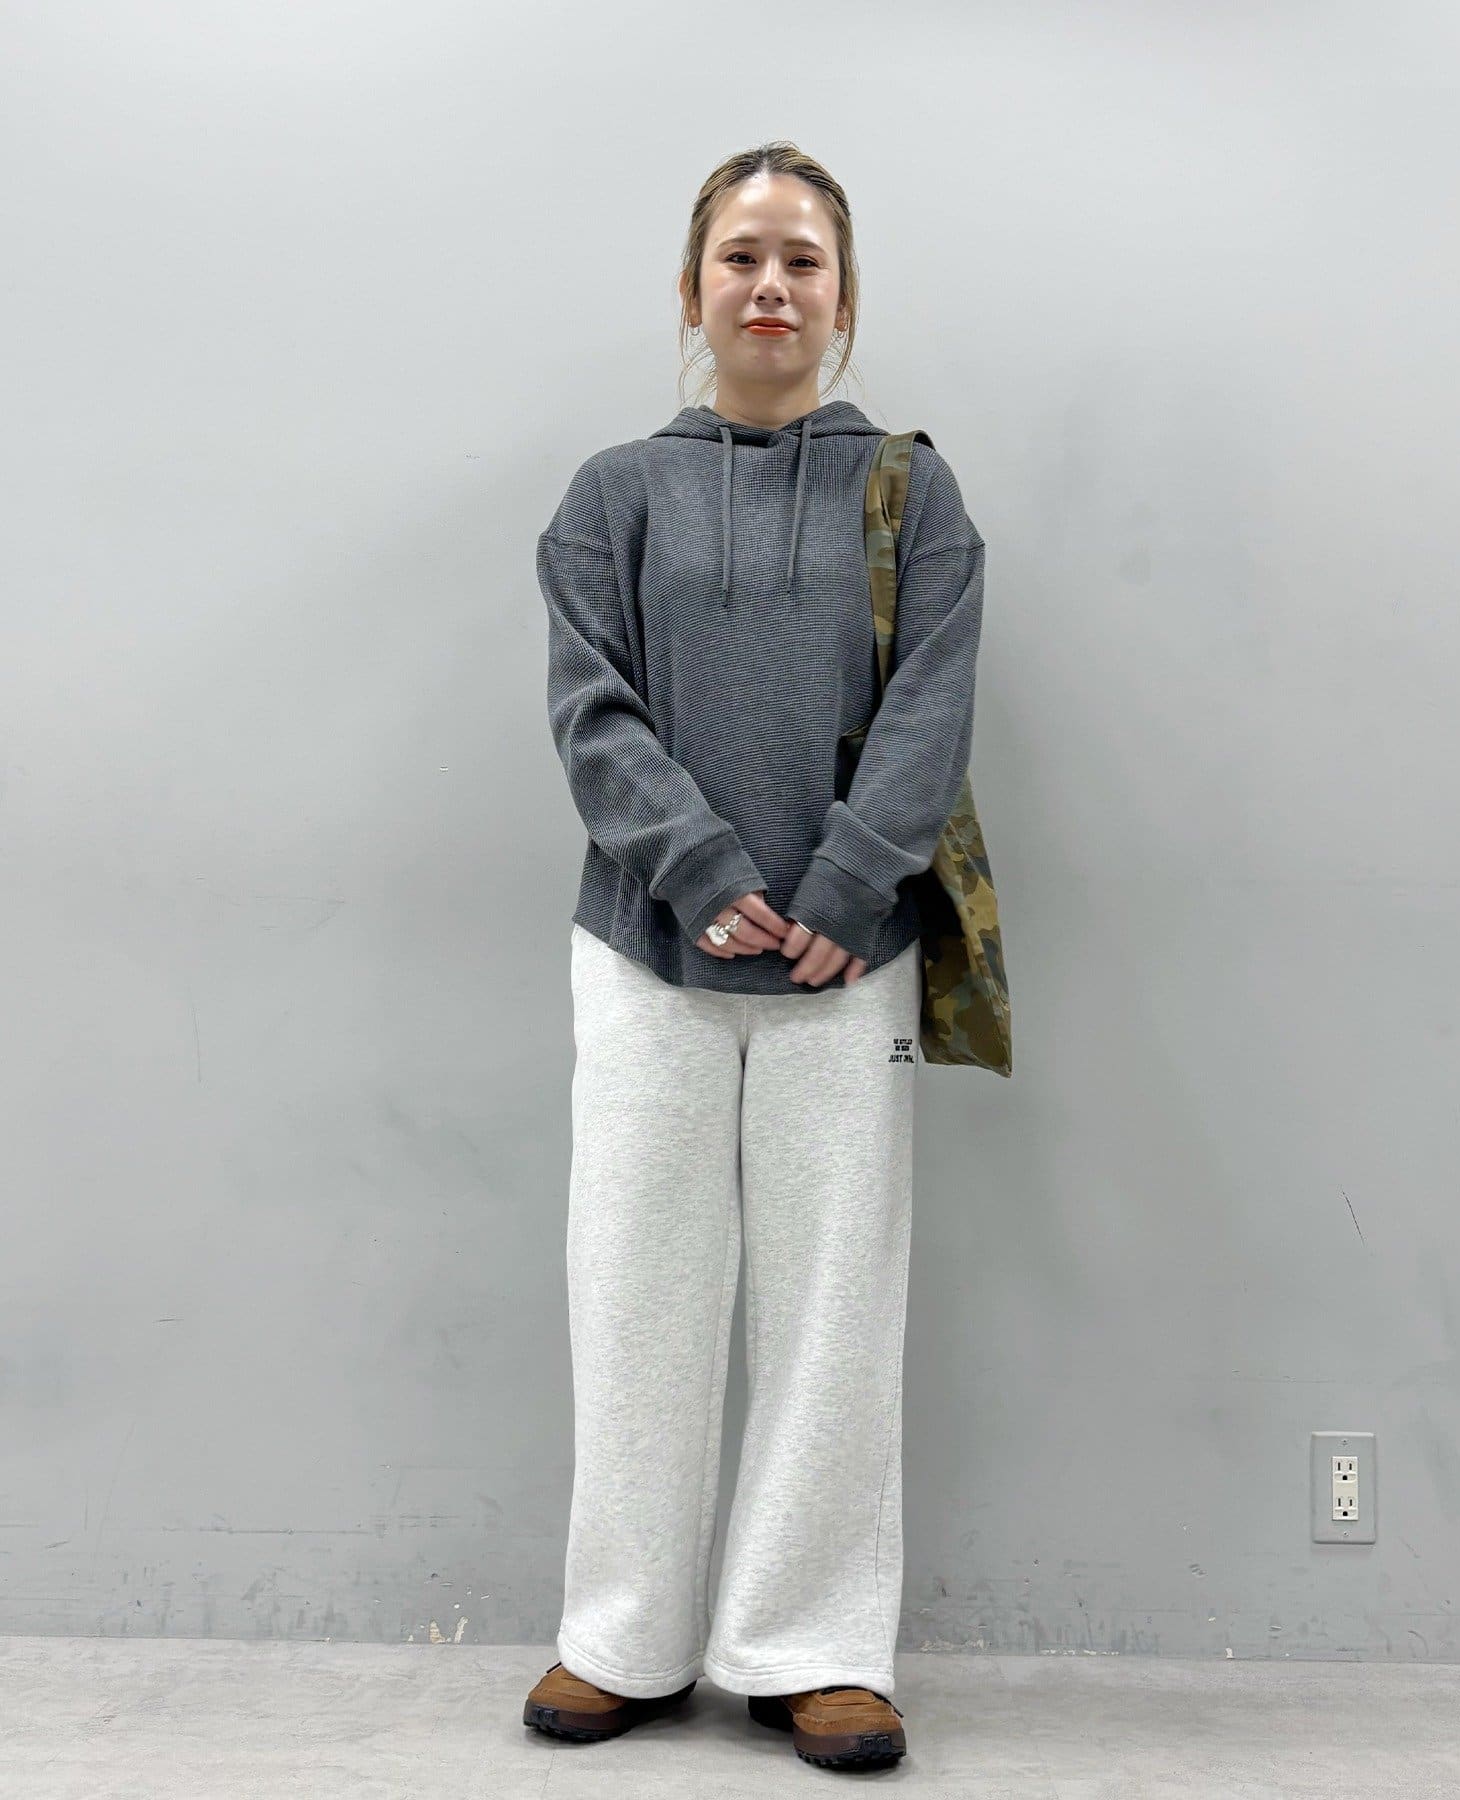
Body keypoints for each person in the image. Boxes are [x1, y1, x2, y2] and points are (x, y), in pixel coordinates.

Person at [522, 139, 985, 1772]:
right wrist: (702, 872)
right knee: (636, 1299)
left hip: (843, 970)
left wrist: (849, 890)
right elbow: (591, 711)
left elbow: (932, 707)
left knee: (835, 1311)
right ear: (691, 289)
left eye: (802, 261)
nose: (771, 286)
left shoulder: (915, 496)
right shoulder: (610, 497)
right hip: (644, 958)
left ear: (844, 300)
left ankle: (814, 1648)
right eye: (742, 256)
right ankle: (624, 1640)